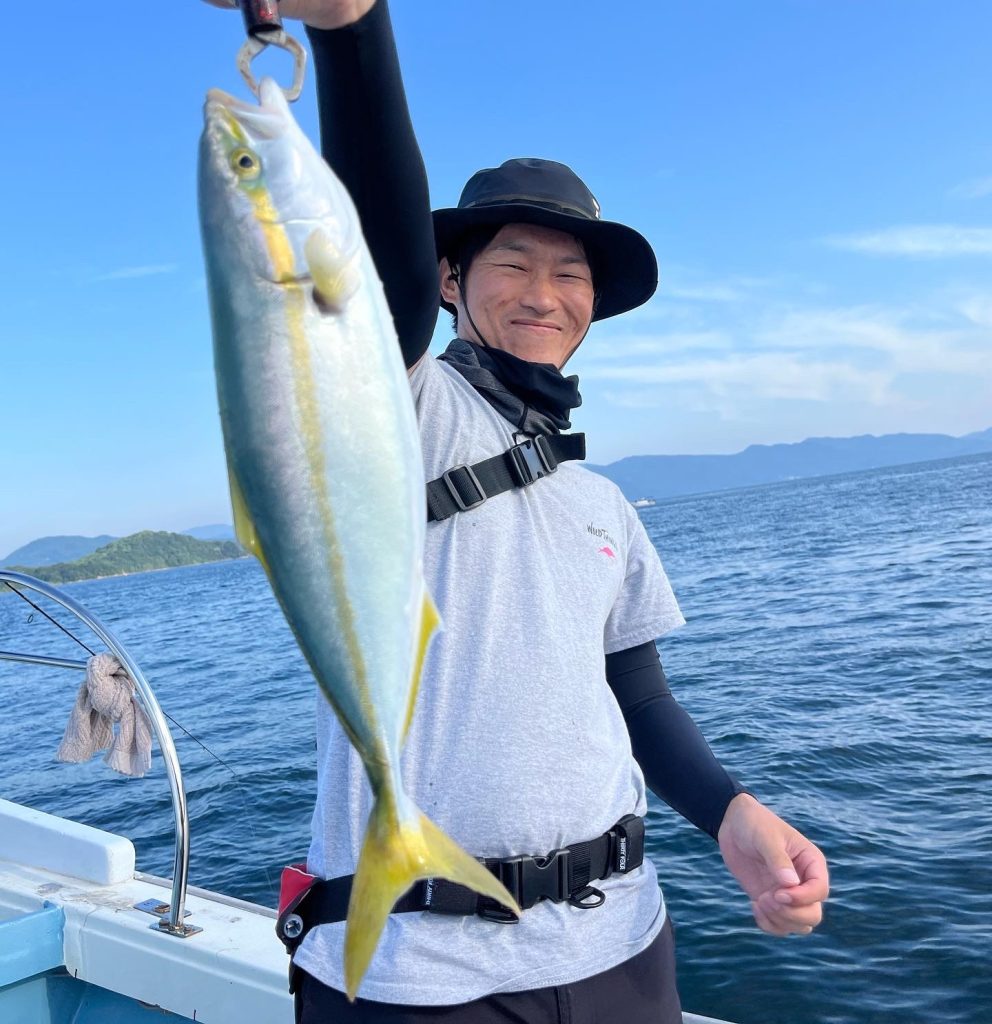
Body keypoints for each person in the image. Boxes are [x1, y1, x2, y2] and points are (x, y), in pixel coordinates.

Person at [207, 3, 830, 1022]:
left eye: (569, 274)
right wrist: (353, 32)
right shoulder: (402, 401)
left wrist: (730, 812)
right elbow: (376, 273)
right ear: (451, 282)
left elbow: (639, 695)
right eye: (513, 264)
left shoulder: (600, 501)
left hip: (620, 946)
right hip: (418, 970)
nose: (545, 294)